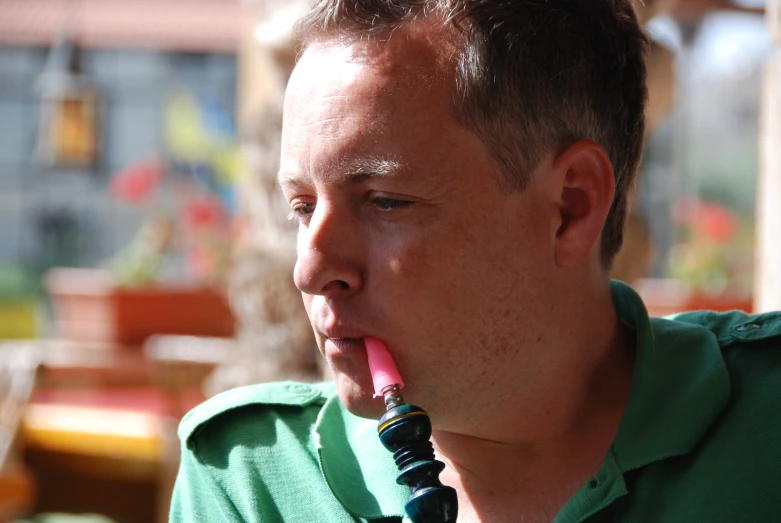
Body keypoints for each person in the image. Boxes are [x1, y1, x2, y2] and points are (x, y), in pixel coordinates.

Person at [169, 1, 781, 522]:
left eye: (384, 202)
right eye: (302, 207)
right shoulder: (250, 481)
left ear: (570, 207)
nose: (310, 270)